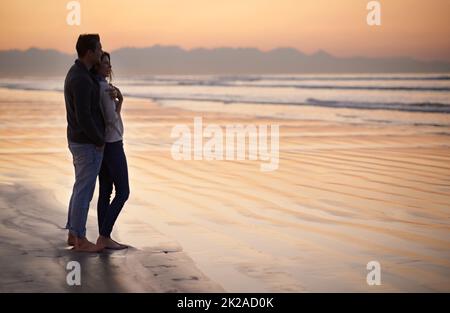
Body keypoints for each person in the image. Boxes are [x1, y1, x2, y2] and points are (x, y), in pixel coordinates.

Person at [64, 34, 105, 252]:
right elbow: (84, 116)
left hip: (79, 140)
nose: (101, 52)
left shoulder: (80, 73)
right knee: (84, 190)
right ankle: (80, 239)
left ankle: (74, 234)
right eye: (98, 48)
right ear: (89, 52)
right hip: (86, 143)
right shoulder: (80, 78)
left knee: (80, 187)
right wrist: (99, 139)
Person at [91, 52, 129, 250]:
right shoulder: (105, 90)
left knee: (105, 191)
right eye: (104, 63)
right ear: (96, 66)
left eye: (109, 63)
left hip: (102, 145)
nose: (108, 67)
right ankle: (104, 236)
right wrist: (120, 101)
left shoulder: (97, 87)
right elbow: (112, 120)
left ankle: (102, 237)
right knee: (123, 192)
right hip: (113, 144)